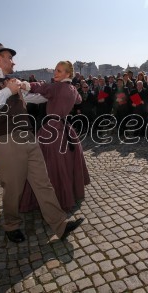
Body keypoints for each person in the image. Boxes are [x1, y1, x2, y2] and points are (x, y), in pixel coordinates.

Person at [0, 43, 84, 243]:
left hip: (28, 137)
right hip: (4, 139)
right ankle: (11, 225)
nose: (14, 62)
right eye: (10, 58)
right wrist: (7, 92)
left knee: (43, 183)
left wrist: (62, 89)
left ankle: (60, 225)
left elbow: (37, 97)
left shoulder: (13, 81)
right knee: (14, 188)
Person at [20, 61, 91, 212]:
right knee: (64, 163)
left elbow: (42, 87)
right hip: (65, 127)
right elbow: (79, 99)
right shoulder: (72, 89)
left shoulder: (57, 87)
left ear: (67, 74)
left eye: (59, 71)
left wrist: (24, 85)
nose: (55, 73)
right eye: (55, 70)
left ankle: (53, 198)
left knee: (48, 165)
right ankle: (69, 193)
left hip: (51, 129)